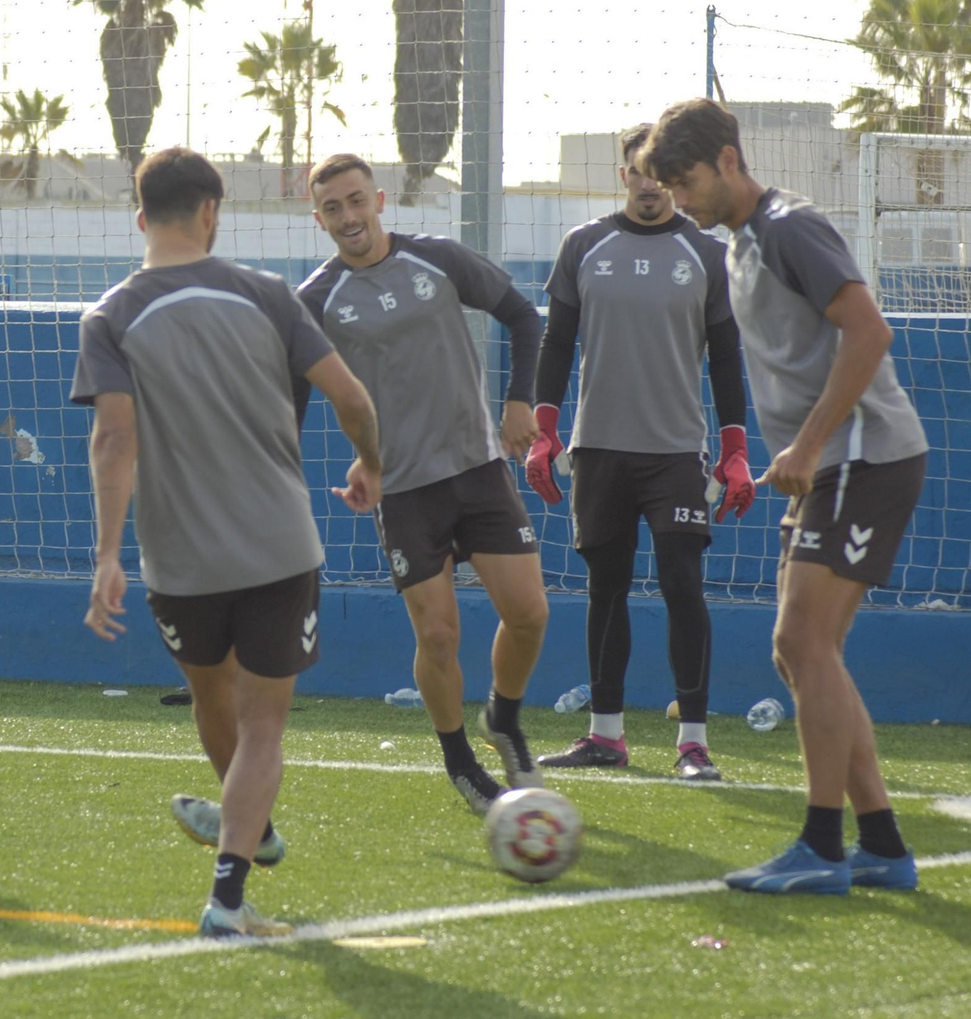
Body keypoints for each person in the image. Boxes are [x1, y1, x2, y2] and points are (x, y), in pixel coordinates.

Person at [72, 147, 381, 937]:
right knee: (265, 724)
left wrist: (107, 555)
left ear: (141, 218)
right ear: (213, 211)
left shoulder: (109, 315)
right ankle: (229, 900)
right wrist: (370, 464)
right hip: (278, 548)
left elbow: (114, 439)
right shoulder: (269, 295)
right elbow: (351, 397)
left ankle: (253, 832)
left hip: (177, 560)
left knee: (214, 698)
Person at [639, 98, 927, 894]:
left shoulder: (790, 227)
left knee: (803, 646)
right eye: (668, 184)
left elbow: (870, 331)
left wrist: (804, 445)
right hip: (830, 466)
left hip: (863, 458)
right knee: (802, 652)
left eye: (687, 180)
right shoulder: (736, 244)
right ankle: (881, 843)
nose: (681, 198)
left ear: (729, 158)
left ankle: (822, 848)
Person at [296, 153, 548, 814]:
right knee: (437, 636)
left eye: (356, 201)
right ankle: (461, 761)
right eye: (333, 207)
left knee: (528, 615)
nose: (349, 216)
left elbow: (525, 318)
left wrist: (521, 403)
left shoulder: (438, 258)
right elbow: (287, 398)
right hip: (404, 491)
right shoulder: (315, 300)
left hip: (479, 468)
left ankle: (505, 717)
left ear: (379, 200)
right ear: (318, 218)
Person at [529, 123, 753, 781]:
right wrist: (546, 432)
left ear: (675, 179)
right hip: (598, 450)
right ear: (623, 175)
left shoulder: (707, 255)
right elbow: (557, 344)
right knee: (607, 589)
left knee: (683, 585)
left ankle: (693, 742)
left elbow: (727, 361)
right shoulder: (584, 246)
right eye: (639, 173)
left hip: (675, 454)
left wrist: (734, 450)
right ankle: (605, 735)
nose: (651, 185)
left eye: (663, 175)